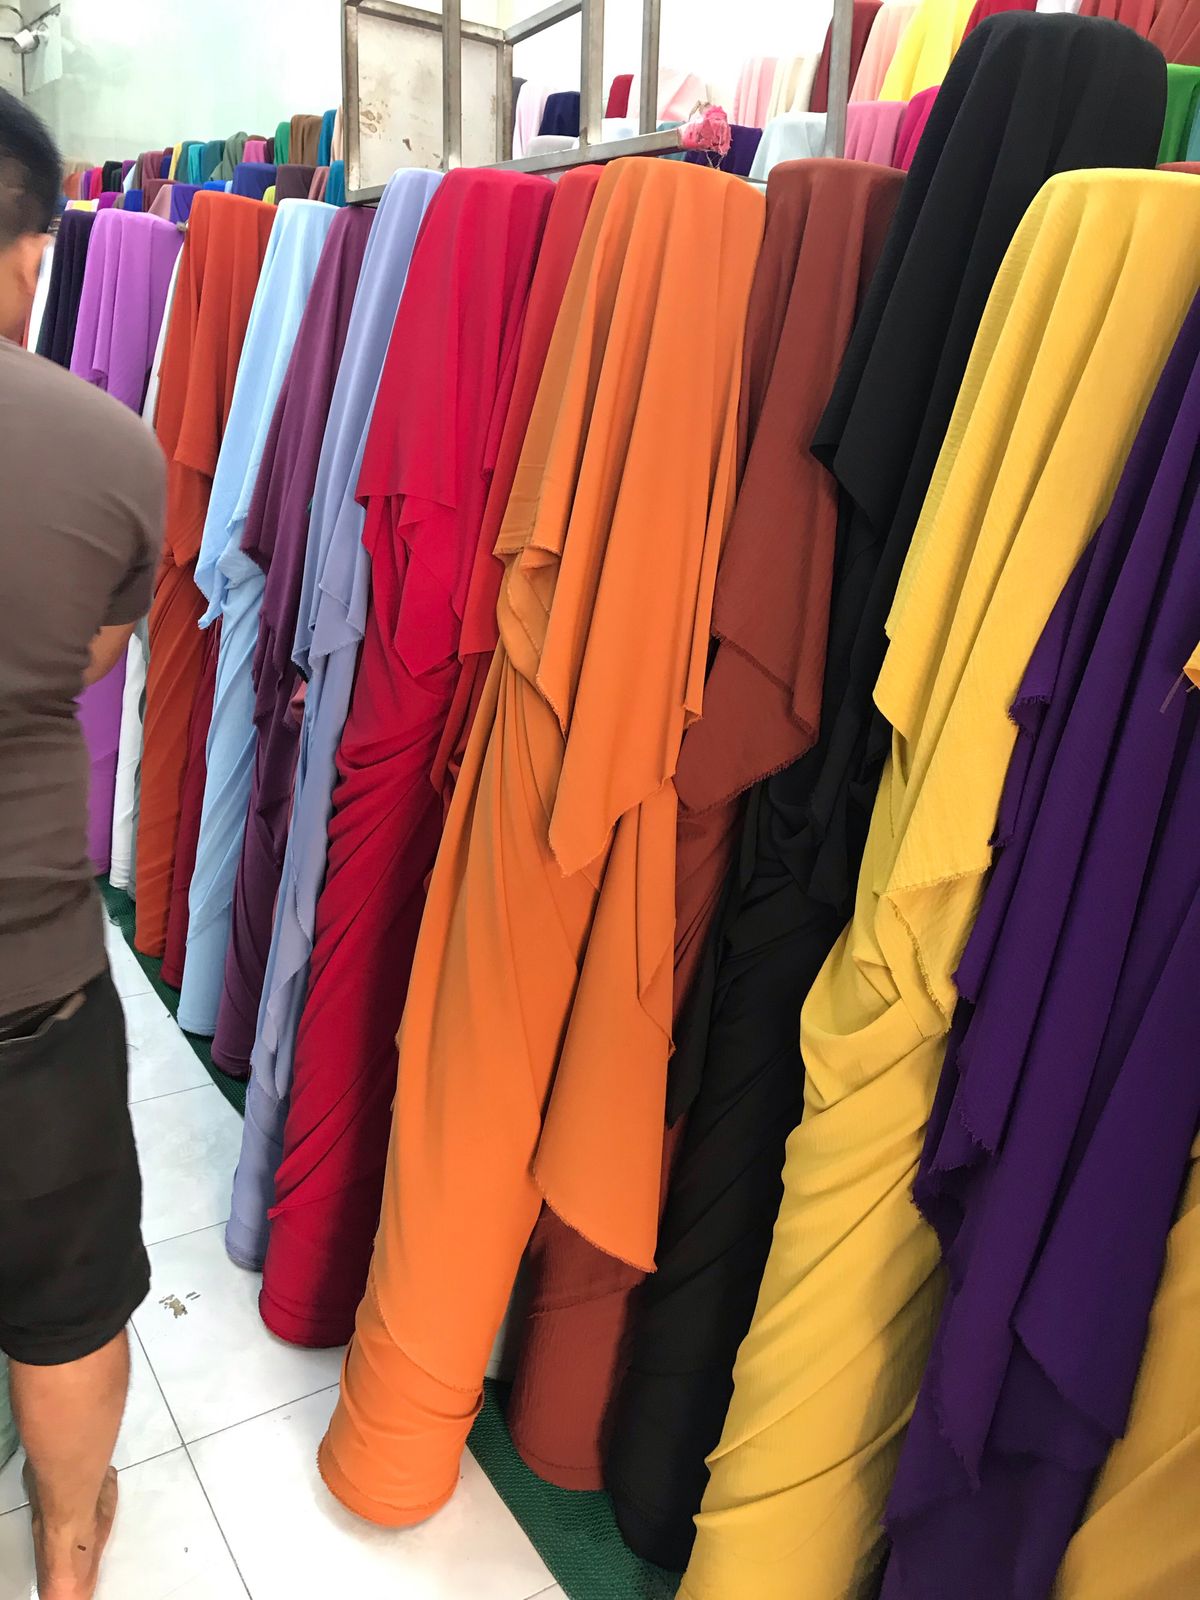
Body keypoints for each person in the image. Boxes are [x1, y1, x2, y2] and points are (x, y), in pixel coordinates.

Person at [0, 91, 166, 1599]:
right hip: (30, 980)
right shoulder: (113, 453)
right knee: (62, 1299)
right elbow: (91, 655)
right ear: (30, 251)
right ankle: (67, 1554)